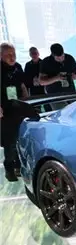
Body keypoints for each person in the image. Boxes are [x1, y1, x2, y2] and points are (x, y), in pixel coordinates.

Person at [0, 42, 29, 181]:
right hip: (4, 108)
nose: (12, 57)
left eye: (14, 54)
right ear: (1, 56)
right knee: (9, 140)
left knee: (20, 136)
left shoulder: (17, 67)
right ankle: (9, 167)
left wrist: (27, 101)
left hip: (17, 105)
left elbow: (22, 85)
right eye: (8, 55)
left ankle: (19, 165)